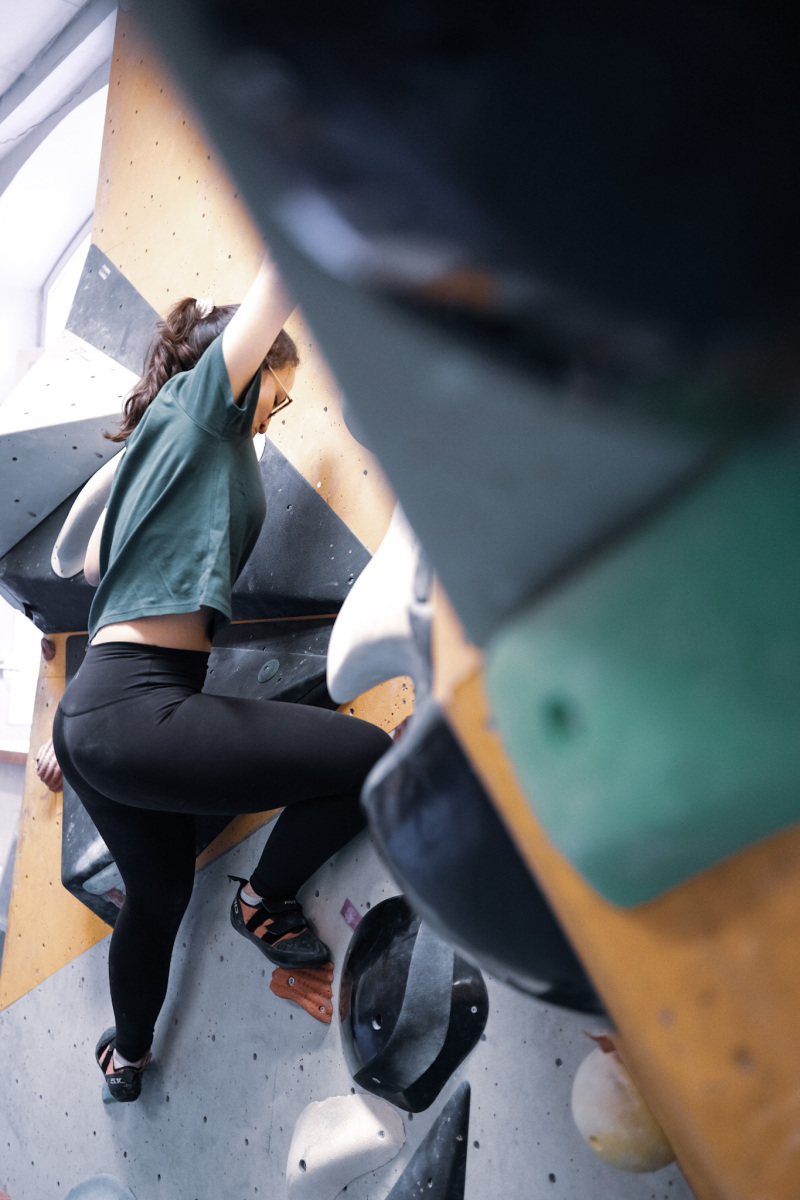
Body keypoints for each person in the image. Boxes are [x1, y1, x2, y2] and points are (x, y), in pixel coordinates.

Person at [52, 258, 392, 1102]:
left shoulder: (171, 439)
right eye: (279, 390)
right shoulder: (204, 406)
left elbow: (94, 567)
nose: (282, 407)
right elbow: (282, 276)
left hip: (97, 710)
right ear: (244, 371)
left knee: (159, 891)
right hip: (136, 708)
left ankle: (127, 1057)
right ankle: (262, 903)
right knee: (368, 759)